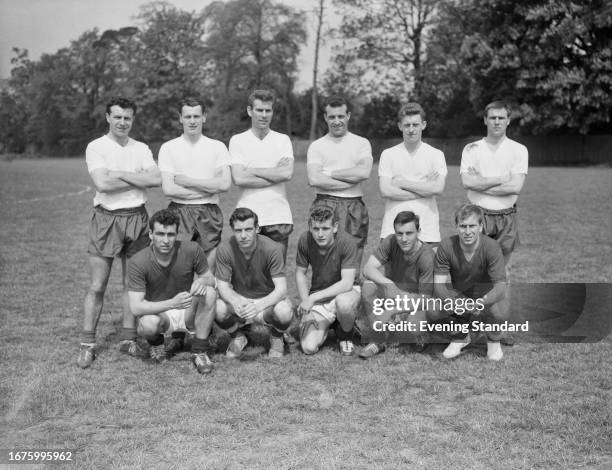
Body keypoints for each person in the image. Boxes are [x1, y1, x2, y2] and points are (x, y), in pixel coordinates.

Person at [77, 97, 161, 369]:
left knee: (132, 284)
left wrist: (120, 175)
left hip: (137, 217)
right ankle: (88, 344)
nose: (123, 122)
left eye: (127, 118)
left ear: (132, 120)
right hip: (106, 219)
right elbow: (102, 182)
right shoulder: (96, 147)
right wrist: (135, 176)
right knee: (97, 285)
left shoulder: (142, 148)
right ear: (107, 118)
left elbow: (156, 179)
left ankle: (128, 339)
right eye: (118, 117)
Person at [127, 210, 217, 374]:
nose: (166, 240)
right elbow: (136, 308)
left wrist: (202, 281)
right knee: (147, 324)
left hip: (188, 310)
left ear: (177, 234)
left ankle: (199, 351)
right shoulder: (137, 261)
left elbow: (211, 279)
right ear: (150, 234)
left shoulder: (192, 249)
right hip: (160, 314)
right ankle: (157, 344)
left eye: (171, 234)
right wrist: (172, 303)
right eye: (160, 234)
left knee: (209, 292)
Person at [158, 96, 231, 270]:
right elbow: (169, 189)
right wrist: (209, 188)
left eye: (196, 116)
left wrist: (187, 181)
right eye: (188, 116)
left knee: (207, 275)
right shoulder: (169, 148)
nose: (192, 121)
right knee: (179, 273)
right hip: (179, 212)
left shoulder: (218, 147)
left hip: (209, 213)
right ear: (180, 118)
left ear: (204, 117)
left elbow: (225, 184)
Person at [431, 204, 509, 361]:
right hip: (461, 295)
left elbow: (500, 286)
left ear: (480, 226)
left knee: (498, 310)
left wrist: (481, 302)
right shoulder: (446, 246)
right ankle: (460, 337)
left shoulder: (491, 247)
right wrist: (453, 303)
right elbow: (438, 285)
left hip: (486, 295)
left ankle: (493, 341)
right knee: (434, 310)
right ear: (456, 226)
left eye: (472, 226)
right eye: (463, 226)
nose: (467, 232)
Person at [215, 208, 293, 358]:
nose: (243, 236)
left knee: (284, 310)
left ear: (257, 229)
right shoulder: (225, 249)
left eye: (248, 229)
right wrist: (236, 301)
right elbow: (222, 286)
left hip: (266, 303)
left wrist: (257, 306)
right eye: (238, 231)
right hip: (241, 302)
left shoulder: (272, 248)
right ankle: (238, 336)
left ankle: (276, 337)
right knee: (217, 307)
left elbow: (282, 289)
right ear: (233, 230)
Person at [460, 100, 528, 266]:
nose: (496, 122)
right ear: (485, 120)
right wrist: (500, 180)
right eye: (492, 118)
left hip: (506, 216)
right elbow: (467, 182)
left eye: (501, 117)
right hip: (477, 214)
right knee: (475, 270)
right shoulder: (472, 148)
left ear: (508, 120)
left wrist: (480, 184)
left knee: (503, 272)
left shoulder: (519, 150)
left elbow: (515, 187)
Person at [228, 90, 294, 260]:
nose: (264, 115)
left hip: (278, 215)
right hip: (246, 217)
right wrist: (274, 173)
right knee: (247, 276)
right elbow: (239, 178)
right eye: (259, 110)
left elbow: (287, 174)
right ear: (250, 111)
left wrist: (252, 170)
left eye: (268, 110)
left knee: (275, 274)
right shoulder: (238, 140)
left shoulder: (283, 140)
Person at [306, 96, 373, 264]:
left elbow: (363, 172)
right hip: (324, 203)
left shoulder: (361, 143)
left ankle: (352, 289)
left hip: (353, 206)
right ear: (325, 117)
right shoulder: (317, 146)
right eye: (332, 117)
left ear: (348, 115)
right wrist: (351, 180)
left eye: (340, 116)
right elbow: (314, 178)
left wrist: (328, 173)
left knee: (352, 259)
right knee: (324, 260)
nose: (336, 121)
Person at [359, 211, 435, 358]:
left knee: (412, 331)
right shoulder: (390, 241)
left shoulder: (427, 256)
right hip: (393, 293)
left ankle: (421, 334)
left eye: (409, 233)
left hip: (415, 300)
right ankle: (378, 339)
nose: (404, 239)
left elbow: (426, 299)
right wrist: (388, 283)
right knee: (369, 286)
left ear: (418, 232)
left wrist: (391, 311)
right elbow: (368, 269)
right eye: (399, 233)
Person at [378, 103, 447, 247]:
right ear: (399, 126)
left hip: (427, 229)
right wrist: (425, 189)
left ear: (423, 125)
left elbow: (438, 189)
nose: (411, 129)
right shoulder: (388, 154)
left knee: (428, 270)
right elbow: (385, 191)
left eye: (415, 124)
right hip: (393, 229)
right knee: (392, 270)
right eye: (407, 125)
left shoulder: (436, 155)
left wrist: (402, 183)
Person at [296, 205, 361, 356]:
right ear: (310, 227)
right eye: (316, 229)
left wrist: (312, 298)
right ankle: (337, 324)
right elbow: (300, 273)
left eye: (325, 228)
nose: (320, 234)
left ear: (335, 227)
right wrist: (306, 305)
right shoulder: (304, 240)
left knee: (343, 304)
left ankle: (345, 335)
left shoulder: (347, 242)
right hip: (320, 295)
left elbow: (347, 283)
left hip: (347, 291)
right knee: (308, 347)